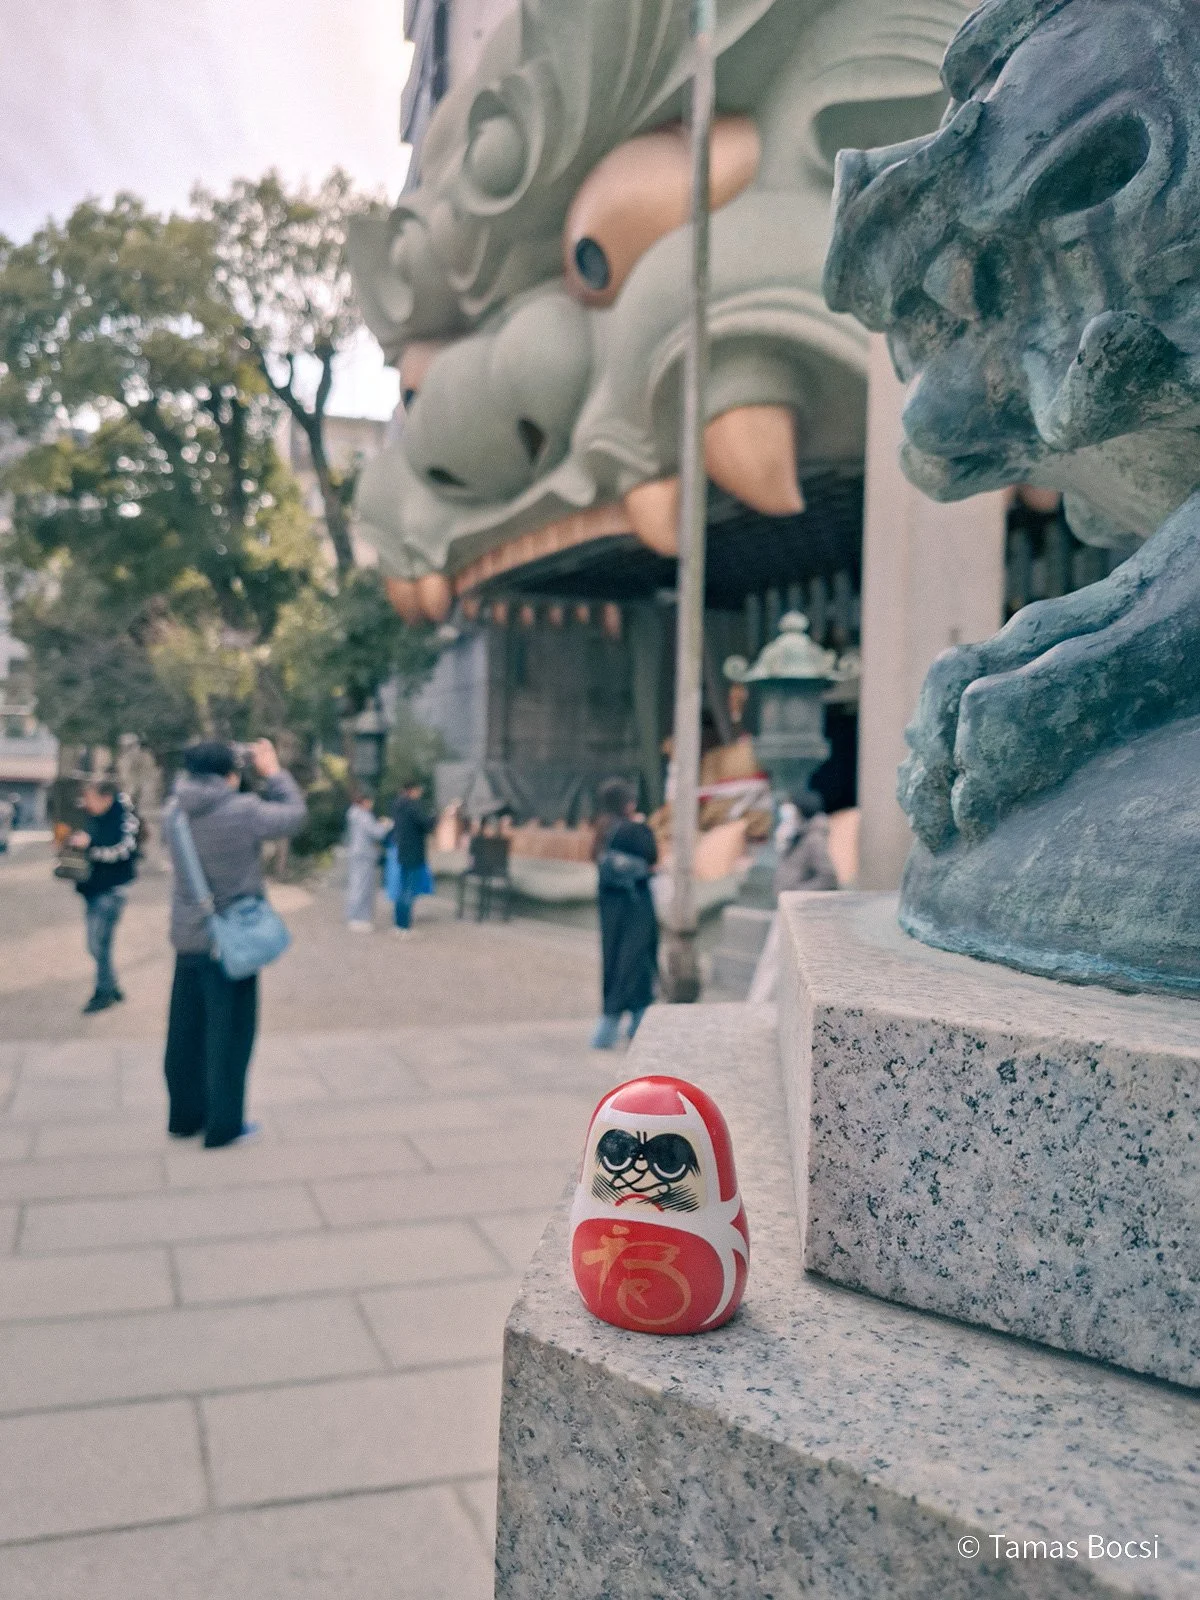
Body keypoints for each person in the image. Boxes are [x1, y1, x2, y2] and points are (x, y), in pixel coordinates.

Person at [163, 739, 306, 1148]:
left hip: (188, 935)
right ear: (230, 774)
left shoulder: (176, 813)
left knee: (185, 1032)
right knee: (229, 1034)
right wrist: (274, 771)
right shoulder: (241, 811)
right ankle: (224, 1126)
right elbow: (294, 817)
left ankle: (184, 1117)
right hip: (230, 940)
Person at [591, 777, 659, 1050]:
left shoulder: (602, 831)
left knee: (614, 963)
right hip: (636, 908)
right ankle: (631, 1028)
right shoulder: (633, 831)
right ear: (627, 803)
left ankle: (606, 1030)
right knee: (637, 964)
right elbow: (652, 855)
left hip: (612, 912)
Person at [70, 778, 140, 1014]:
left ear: (106, 798)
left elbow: (122, 851)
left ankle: (104, 991)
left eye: (90, 798)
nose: (86, 803)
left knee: (98, 943)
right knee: (99, 944)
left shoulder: (125, 818)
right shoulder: (92, 817)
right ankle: (110, 985)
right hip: (93, 888)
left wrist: (90, 845)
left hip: (112, 890)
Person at [387, 781, 434, 934]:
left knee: (402, 888)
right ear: (412, 790)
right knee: (409, 890)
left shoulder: (398, 806)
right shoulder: (413, 807)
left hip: (402, 851)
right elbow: (426, 825)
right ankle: (404, 926)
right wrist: (437, 817)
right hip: (414, 852)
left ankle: (398, 923)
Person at [772, 789, 838, 897]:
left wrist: (796, 893)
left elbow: (828, 878)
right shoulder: (798, 835)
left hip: (798, 905)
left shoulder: (814, 839)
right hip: (786, 905)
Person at [345, 790, 392, 930]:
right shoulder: (363, 816)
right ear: (364, 801)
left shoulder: (353, 814)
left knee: (357, 884)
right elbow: (377, 833)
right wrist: (386, 825)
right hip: (364, 854)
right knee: (362, 886)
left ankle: (356, 916)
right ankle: (358, 918)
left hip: (357, 853)